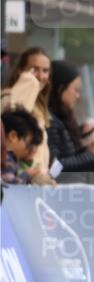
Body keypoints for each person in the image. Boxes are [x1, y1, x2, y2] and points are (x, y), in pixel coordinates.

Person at [46, 60, 94, 175]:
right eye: (75, 90)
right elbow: (54, 168)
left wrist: (92, 152)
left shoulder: (62, 119)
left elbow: (69, 158)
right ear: (60, 89)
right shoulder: (50, 121)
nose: (78, 95)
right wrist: (92, 155)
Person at [1, 47, 55, 181]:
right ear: (20, 71)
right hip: (15, 182)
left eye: (45, 71)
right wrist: (29, 82)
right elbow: (12, 121)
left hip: (33, 184)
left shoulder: (39, 106)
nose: (40, 76)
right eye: (34, 69)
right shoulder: (10, 97)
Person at [2, 107, 44, 185]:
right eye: (30, 144)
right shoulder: (5, 157)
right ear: (13, 136)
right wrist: (27, 175)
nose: (32, 150)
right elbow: (10, 188)